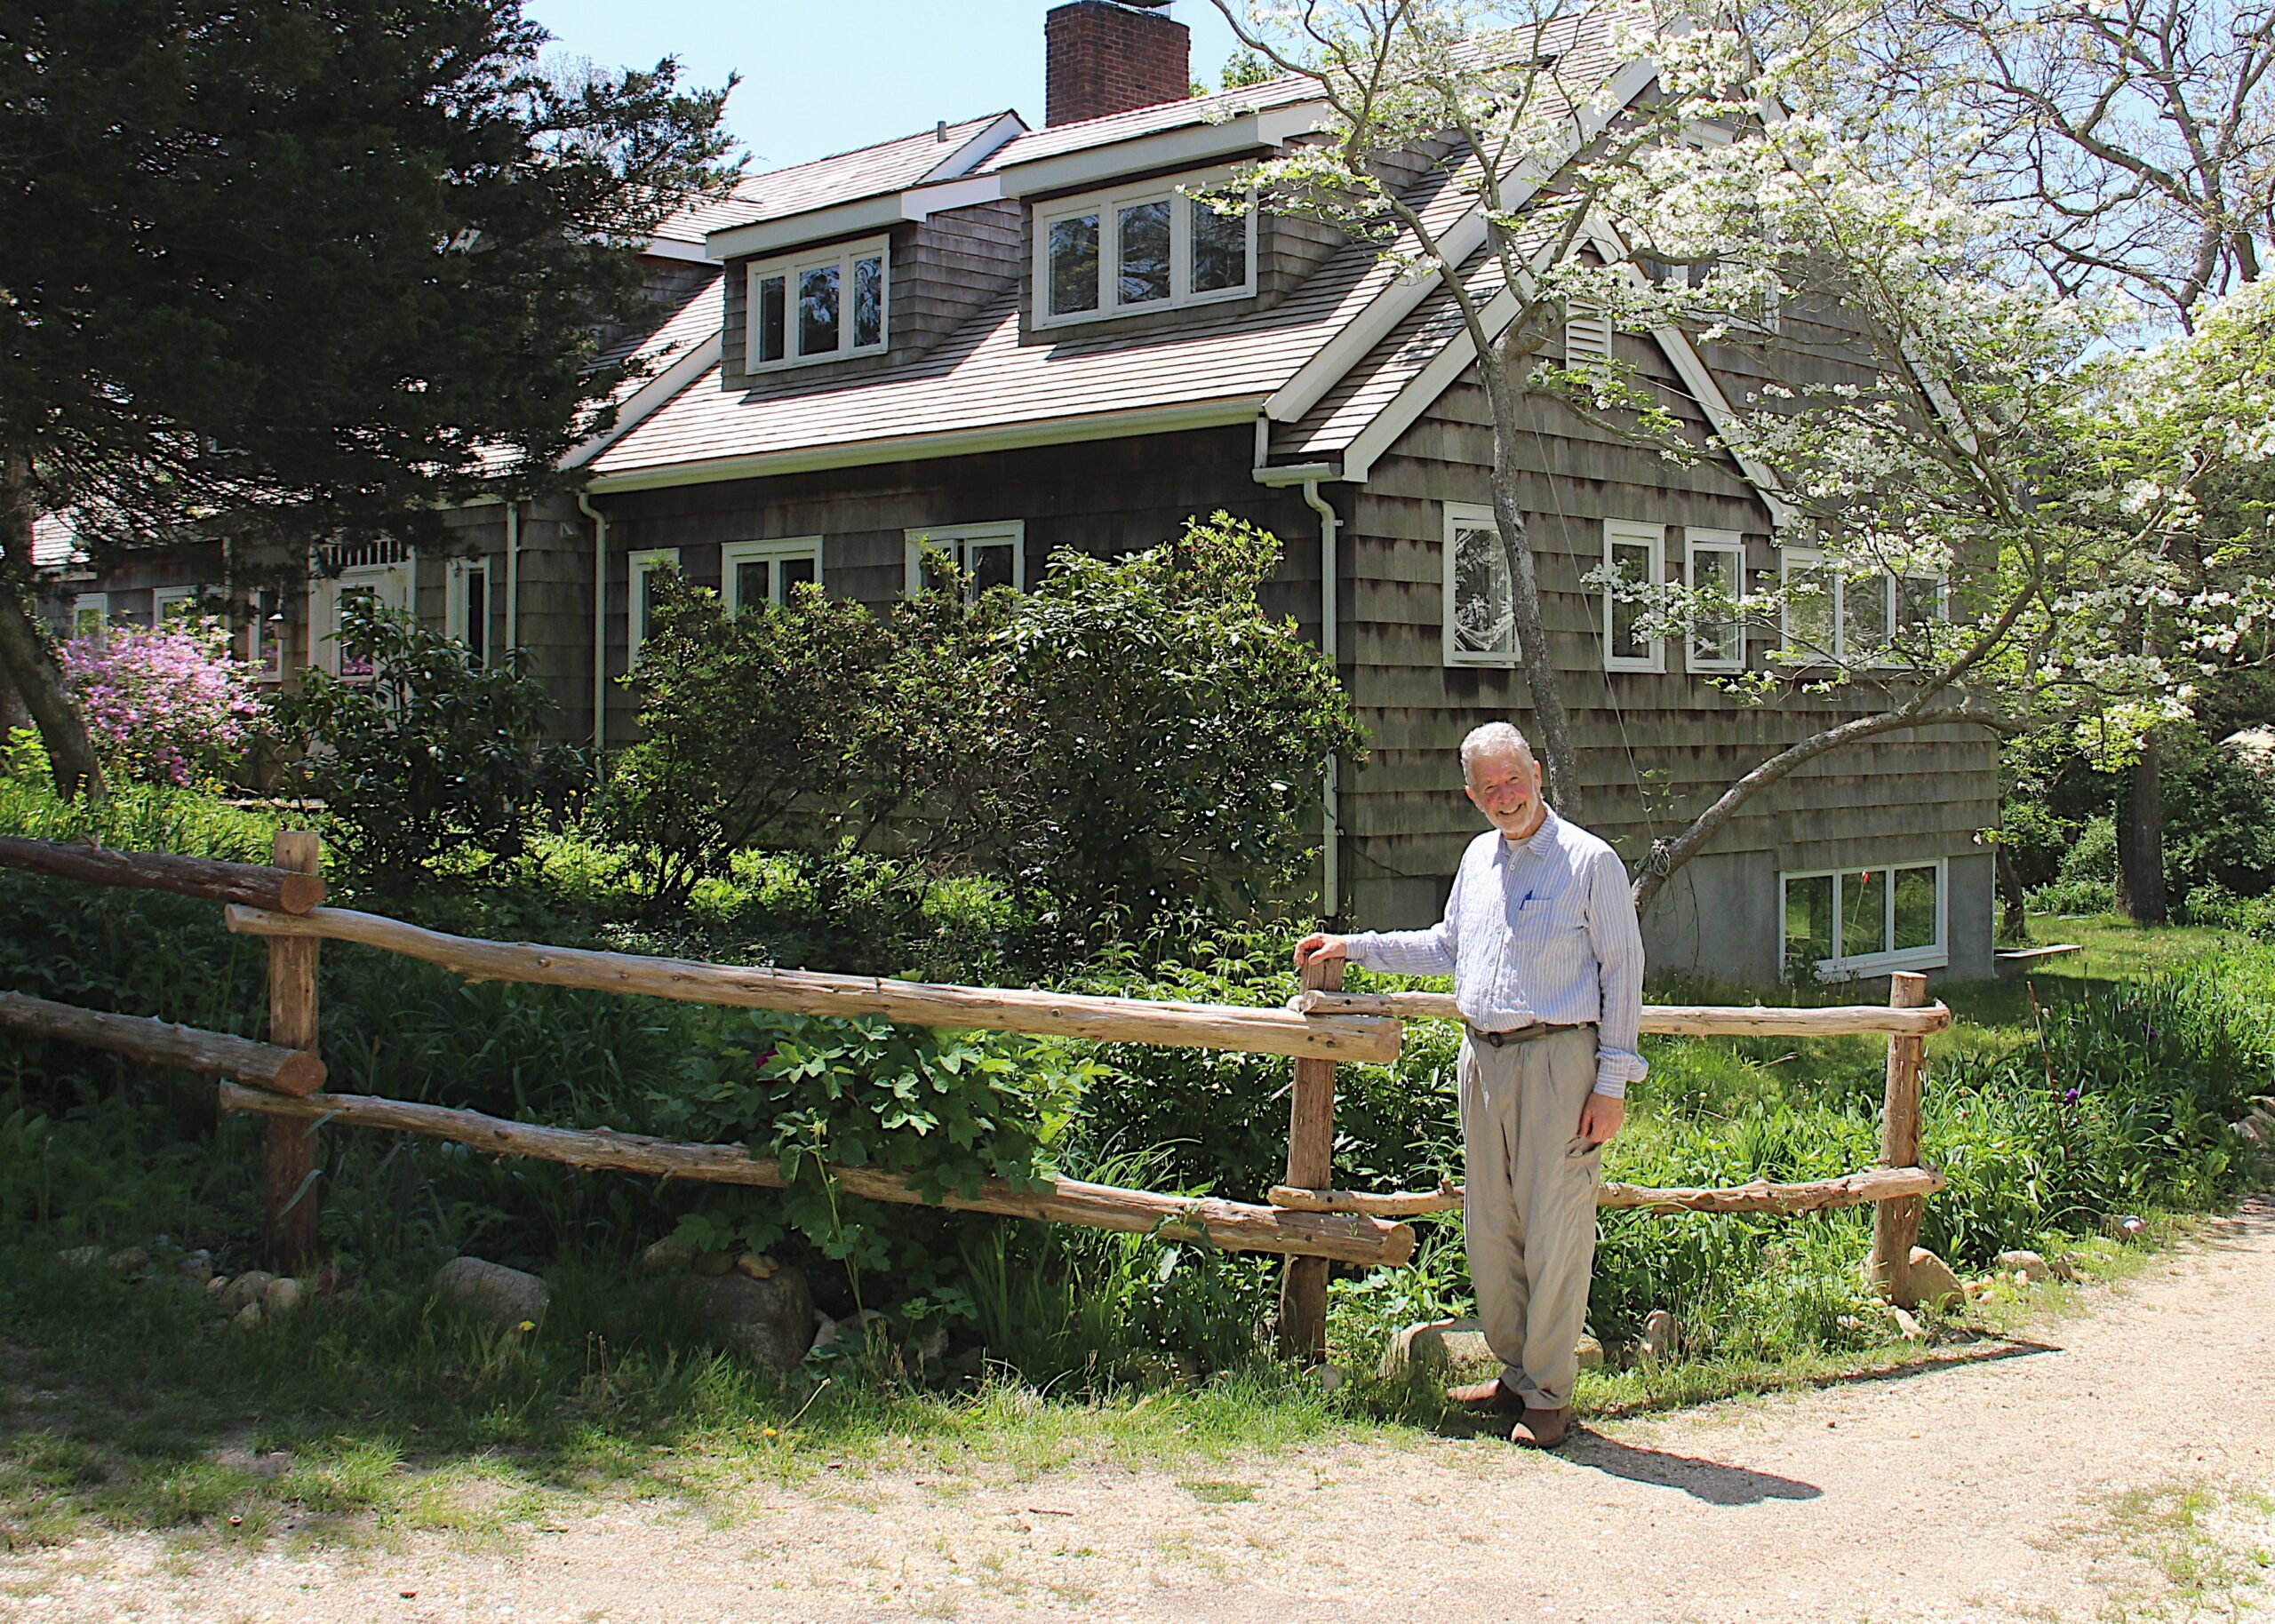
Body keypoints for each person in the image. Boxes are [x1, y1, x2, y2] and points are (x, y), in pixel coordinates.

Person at [1294, 721, 1645, 1447]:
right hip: (1481, 1060)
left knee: (1555, 1228)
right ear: (1471, 795)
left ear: (1537, 773)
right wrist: (1352, 947)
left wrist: (1611, 1082)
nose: (1504, 797)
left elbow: (1624, 972)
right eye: (1488, 788)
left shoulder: (1590, 861)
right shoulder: (1479, 860)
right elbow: (1446, 947)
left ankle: (1549, 1395)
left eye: (1512, 780)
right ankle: (1516, 1374)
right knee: (1491, 1229)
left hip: (1559, 1062)